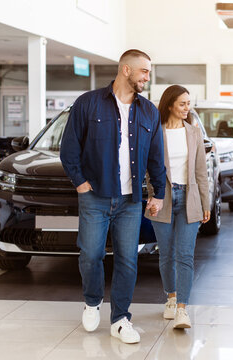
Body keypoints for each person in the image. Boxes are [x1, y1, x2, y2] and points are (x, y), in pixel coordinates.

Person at [60, 49, 166, 343]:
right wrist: (80, 183)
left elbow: (156, 157)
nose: (148, 76)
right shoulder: (88, 104)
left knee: (127, 260)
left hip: (131, 201)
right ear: (126, 70)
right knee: (91, 254)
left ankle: (120, 319)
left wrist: (158, 193)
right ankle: (92, 300)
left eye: (149, 71)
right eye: (144, 71)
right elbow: (68, 150)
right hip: (95, 196)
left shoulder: (149, 111)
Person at [145, 85, 210, 329]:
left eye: (189, 103)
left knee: (185, 255)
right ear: (170, 104)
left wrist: (206, 202)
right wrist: (153, 196)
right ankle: (170, 298)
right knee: (166, 254)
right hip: (163, 199)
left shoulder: (193, 132)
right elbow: (150, 170)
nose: (187, 108)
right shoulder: (156, 133)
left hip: (190, 199)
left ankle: (182, 309)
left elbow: (201, 172)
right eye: (182, 103)